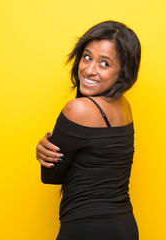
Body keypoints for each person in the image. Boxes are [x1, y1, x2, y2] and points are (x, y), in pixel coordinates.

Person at [36, 20, 141, 240]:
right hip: (125, 227)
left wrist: (43, 153)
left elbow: (51, 175)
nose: (89, 70)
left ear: (122, 72)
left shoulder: (78, 109)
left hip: (86, 230)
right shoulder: (124, 106)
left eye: (104, 63)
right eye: (87, 57)